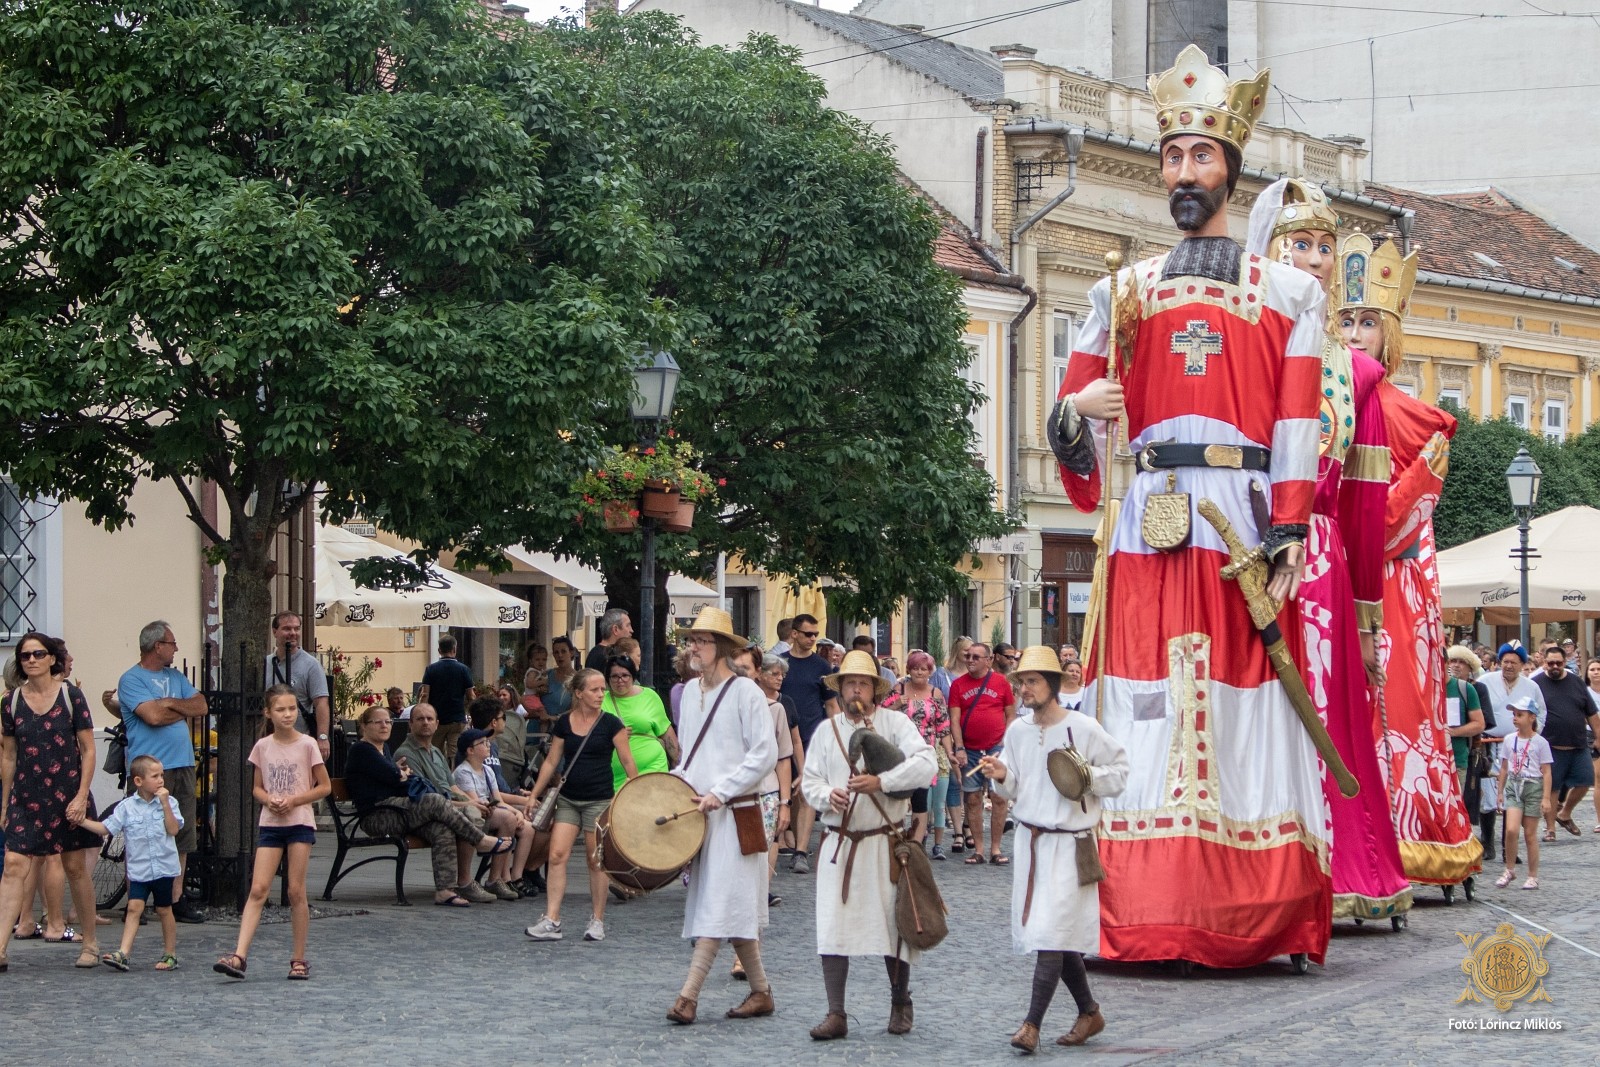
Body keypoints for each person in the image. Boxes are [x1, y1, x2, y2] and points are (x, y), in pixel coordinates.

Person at [1049, 46, 1330, 969]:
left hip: (1240, 519)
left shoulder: (1289, 294)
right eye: (1172, 156)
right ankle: (1139, 904)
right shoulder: (1117, 291)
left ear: (1228, 169)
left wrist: (1287, 528)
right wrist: (1071, 414)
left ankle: (1253, 908)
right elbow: (1076, 411)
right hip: (1149, 516)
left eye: (1200, 157)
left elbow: (1296, 421)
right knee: (1143, 698)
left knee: (1243, 696)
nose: (1183, 173)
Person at [1247, 177, 1413, 928]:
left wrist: (1370, 617)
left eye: (1322, 246)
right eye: (1299, 244)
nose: (1313, 259)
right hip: (1248, 547)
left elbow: (1366, 503)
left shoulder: (1359, 375)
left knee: (1325, 711)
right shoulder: (1243, 344)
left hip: (1320, 556)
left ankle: (1344, 865)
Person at [1338, 232, 1482, 890]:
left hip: (1392, 588)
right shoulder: (1320, 406)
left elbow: (1398, 520)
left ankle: (1409, 847)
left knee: (1393, 710)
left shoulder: (1419, 421)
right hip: (1331, 578)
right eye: (1345, 319)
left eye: (1368, 320)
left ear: (1390, 331)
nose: (1355, 332)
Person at [980, 646, 1128, 1053]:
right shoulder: (1018, 731)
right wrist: (1001, 774)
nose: (1024, 689)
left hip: (1070, 844)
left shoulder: (1082, 727)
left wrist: (1083, 777)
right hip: (1031, 844)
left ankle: (1031, 1025)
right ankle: (1089, 1011)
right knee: (1055, 935)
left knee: (1049, 935)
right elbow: (1014, 786)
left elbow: (1119, 773)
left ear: (1053, 685)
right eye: (1021, 681)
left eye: (1032, 681)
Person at [801, 649, 935, 1040]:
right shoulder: (827, 732)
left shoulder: (895, 724)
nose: (855, 689)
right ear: (839, 689)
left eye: (862, 683)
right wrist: (829, 795)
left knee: (893, 928)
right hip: (839, 844)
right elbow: (810, 782)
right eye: (848, 683)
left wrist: (883, 782)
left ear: (875, 689)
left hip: (883, 844)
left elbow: (926, 763)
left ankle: (899, 1003)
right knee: (831, 928)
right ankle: (836, 1013)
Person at [663, 607, 778, 1023]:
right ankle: (762, 992)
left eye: (702, 641)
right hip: (701, 814)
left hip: (738, 813)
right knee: (729, 904)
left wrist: (722, 791)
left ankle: (687, 997)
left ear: (723, 648)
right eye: (692, 640)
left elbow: (763, 753)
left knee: (717, 902)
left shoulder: (746, 692)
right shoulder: (692, 692)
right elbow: (691, 756)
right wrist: (673, 787)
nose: (693, 647)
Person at [0, 633, 104, 971]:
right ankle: (0, 948)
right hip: (26, 797)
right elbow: (9, 757)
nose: (31, 660)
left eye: (37, 654)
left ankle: (89, 943)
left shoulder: (71, 696)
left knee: (74, 868)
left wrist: (80, 796)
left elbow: (88, 749)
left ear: (50, 659)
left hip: (67, 794)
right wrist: (5, 804)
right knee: (14, 865)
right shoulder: (11, 702)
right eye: (25, 655)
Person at [212, 684, 329, 980]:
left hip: (299, 821)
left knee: (295, 890)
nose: (287, 714)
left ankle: (299, 958)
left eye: (291, 708)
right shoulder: (262, 746)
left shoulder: (307, 744)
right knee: (258, 888)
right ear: (268, 713)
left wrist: (294, 800)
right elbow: (257, 787)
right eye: (280, 709)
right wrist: (270, 800)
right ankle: (239, 955)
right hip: (271, 823)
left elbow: (324, 786)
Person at [344, 705, 510, 907]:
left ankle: (445, 890)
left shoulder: (383, 749)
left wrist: (399, 774)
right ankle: (480, 839)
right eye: (377, 722)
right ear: (364, 725)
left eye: (388, 721)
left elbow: (395, 777)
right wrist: (399, 773)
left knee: (441, 828)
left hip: (397, 810)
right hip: (378, 815)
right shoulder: (362, 749)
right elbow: (394, 777)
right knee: (433, 799)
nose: (384, 726)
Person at [524, 669, 638, 943]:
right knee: (557, 855)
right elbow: (552, 761)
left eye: (602, 690)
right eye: (595, 690)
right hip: (568, 799)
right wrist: (533, 794)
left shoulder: (612, 724)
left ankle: (597, 920)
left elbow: (627, 761)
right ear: (579, 693)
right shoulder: (564, 723)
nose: (601, 695)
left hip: (599, 800)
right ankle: (552, 919)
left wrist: (636, 792)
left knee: (595, 860)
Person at [116, 620, 209, 925]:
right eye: (172, 643)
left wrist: (169, 702)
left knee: (180, 833)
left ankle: (175, 899)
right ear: (158, 646)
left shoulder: (175, 677)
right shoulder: (131, 679)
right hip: (147, 767)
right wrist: (177, 708)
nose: (176, 648)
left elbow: (202, 706)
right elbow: (152, 717)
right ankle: (137, 900)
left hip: (180, 763)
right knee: (141, 832)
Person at [716, 643, 791, 981]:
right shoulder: (720, 706)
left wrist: (786, 802)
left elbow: (782, 758)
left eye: (746, 669)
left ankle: (748, 952)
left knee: (757, 875)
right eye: (736, 669)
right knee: (731, 875)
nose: (741, 675)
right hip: (728, 796)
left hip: (763, 796)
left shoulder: (774, 708)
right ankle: (737, 947)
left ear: (757, 672)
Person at [73, 755, 180, 972]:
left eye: (162, 775)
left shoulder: (170, 802)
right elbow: (106, 828)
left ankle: (170, 954)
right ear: (139, 781)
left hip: (164, 868)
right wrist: (82, 821)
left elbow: (173, 829)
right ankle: (123, 952)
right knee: (133, 908)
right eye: (155, 776)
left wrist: (165, 804)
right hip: (139, 870)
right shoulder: (127, 807)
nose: (161, 780)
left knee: (164, 910)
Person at [780, 613, 838, 874]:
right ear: (794, 634)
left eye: (815, 634)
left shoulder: (822, 667)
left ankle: (801, 850)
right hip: (781, 739)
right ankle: (792, 844)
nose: (813, 638)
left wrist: (837, 735)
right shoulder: (780, 664)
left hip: (812, 737)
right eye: (808, 634)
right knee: (790, 794)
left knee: (806, 793)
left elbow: (832, 705)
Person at [949, 642, 1016, 865]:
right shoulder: (958, 685)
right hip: (970, 750)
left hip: (997, 747)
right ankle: (978, 849)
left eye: (976, 657)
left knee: (998, 797)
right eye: (968, 656)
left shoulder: (1002, 683)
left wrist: (1005, 746)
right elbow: (955, 720)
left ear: (988, 660)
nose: (970, 660)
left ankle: (995, 849)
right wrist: (959, 748)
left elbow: (1010, 715)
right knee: (973, 798)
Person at [1477, 644, 1545, 860]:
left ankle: (1510, 847)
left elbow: (1541, 713)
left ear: (1522, 665)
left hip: (1518, 746)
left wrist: (1530, 736)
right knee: (1488, 795)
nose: (1508, 666)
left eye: (1513, 663)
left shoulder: (1531, 686)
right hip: (1489, 743)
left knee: (1512, 794)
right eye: (1505, 661)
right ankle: (1488, 842)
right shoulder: (1485, 682)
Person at [881, 651, 951, 856]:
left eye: (924, 669)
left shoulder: (935, 693)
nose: (919, 672)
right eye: (915, 668)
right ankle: (896, 840)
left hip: (924, 752)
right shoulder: (898, 688)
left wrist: (950, 752)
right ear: (909, 670)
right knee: (899, 799)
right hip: (899, 753)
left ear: (930, 671)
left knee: (921, 800)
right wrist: (897, 703)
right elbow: (881, 716)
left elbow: (943, 726)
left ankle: (916, 846)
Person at [453, 729, 536, 901]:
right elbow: (475, 802)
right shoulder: (463, 772)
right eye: (483, 743)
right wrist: (510, 813)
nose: (488, 745)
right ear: (470, 750)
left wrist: (515, 811)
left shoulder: (487, 770)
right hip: (477, 813)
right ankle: (495, 879)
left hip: (491, 810)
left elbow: (497, 800)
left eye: (487, 742)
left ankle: (513, 876)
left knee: (527, 827)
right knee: (508, 818)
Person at [1532, 645, 1600, 841]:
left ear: (1564, 663)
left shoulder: (1577, 682)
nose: (1554, 666)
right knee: (1552, 788)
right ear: (1544, 662)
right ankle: (1550, 829)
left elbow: (1591, 713)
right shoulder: (1536, 684)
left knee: (1586, 781)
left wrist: (1598, 737)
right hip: (1550, 746)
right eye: (1550, 663)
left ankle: (1565, 813)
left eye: (1558, 663)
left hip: (1578, 744)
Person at [1495, 697, 1552, 891]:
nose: (1515, 718)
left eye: (1520, 715)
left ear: (1532, 717)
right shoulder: (1510, 739)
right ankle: (1509, 869)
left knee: (1529, 833)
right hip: (1514, 784)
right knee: (1511, 830)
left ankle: (1532, 875)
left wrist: (1545, 798)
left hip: (1533, 786)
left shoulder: (1540, 743)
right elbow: (1504, 767)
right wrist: (1500, 792)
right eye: (1514, 715)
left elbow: (1546, 771)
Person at [262, 611, 332, 761]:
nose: (293, 633)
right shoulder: (266, 663)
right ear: (275, 631)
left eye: (296, 628)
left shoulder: (311, 665)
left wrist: (323, 737)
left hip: (300, 742)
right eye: (287, 628)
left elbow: (321, 703)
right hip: (270, 742)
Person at [602, 655, 679, 791]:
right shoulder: (600, 701)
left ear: (633, 677)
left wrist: (678, 763)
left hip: (653, 767)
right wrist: (612, 736)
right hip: (615, 775)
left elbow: (666, 733)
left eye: (625, 675)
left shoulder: (649, 696)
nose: (620, 680)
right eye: (614, 676)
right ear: (608, 679)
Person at [420, 634, 474, 763]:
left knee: (433, 752)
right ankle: (453, 778)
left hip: (436, 720)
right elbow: (471, 696)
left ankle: (436, 778)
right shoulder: (464, 669)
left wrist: (421, 713)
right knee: (454, 754)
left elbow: (424, 694)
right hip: (457, 720)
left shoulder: (431, 669)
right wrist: (473, 714)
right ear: (454, 649)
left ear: (439, 651)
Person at [584, 608, 633, 672]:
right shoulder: (605, 657)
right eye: (628, 625)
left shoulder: (597, 653)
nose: (631, 630)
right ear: (615, 629)